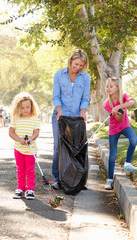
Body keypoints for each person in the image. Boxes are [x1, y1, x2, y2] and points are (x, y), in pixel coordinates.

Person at [52, 49, 91, 189]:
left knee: (77, 148)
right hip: (60, 116)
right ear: (70, 61)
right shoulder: (59, 75)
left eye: (81, 65)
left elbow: (85, 98)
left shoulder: (86, 78)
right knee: (58, 147)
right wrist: (60, 111)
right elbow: (56, 96)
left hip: (76, 117)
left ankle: (79, 179)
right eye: (76, 64)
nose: (77, 68)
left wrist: (83, 112)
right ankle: (58, 178)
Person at [103, 77, 137, 190]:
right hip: (114, 129)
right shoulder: (106, 104)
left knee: (134, 140)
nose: (108, 88)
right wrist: (116, 112)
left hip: (125, 126)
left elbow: (132, 102)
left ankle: (127, 164)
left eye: (111, 86)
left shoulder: (124, 96)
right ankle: (109, 180)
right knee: (113, 155)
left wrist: (119, 106)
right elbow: (118, 119)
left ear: (117, 87)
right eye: (107, 86)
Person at [9, 92, 40, 199]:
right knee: (20, 169)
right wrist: (19, 140)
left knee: (30, 170)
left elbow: (36, 132)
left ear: (31, 106)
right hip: (19, 149)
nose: (25, 109)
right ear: (18, 108)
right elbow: (11, 132)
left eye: (28, 107)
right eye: (22, 108)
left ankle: (30, 189)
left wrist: (31, 139)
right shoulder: (16, 119)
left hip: (30, 150)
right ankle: (20, 188)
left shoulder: (34, 119)